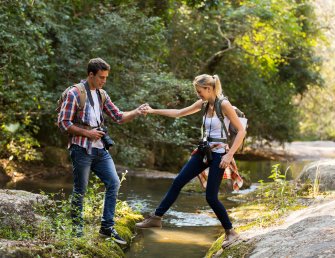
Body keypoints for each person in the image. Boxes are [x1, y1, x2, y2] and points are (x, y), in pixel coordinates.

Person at [136, 74, 246, 249]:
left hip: (219, 154)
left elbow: (241, 131)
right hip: (204, 151)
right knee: (178, 181)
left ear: (209, 89)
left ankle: (231, 232)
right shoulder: (202, 104)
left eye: (199, 91)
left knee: (211, 197)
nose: (198, 94)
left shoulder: (223, 105)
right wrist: (152, 111)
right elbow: (179, 113)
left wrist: (229, 155)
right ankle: (156, 218)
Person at [58, 58, 146, 243]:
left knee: (113, 182)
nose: (103, 81)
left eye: (106, 78)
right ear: (90, 75)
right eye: (101, 77)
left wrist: (137, 111)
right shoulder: (74, 93)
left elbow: (119, 117)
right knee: (80, 189)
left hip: (100, 149)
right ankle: (77, 231)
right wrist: (88, 133)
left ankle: (107, 228)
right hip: (81, 148)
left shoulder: (102, 94)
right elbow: (63, 123)